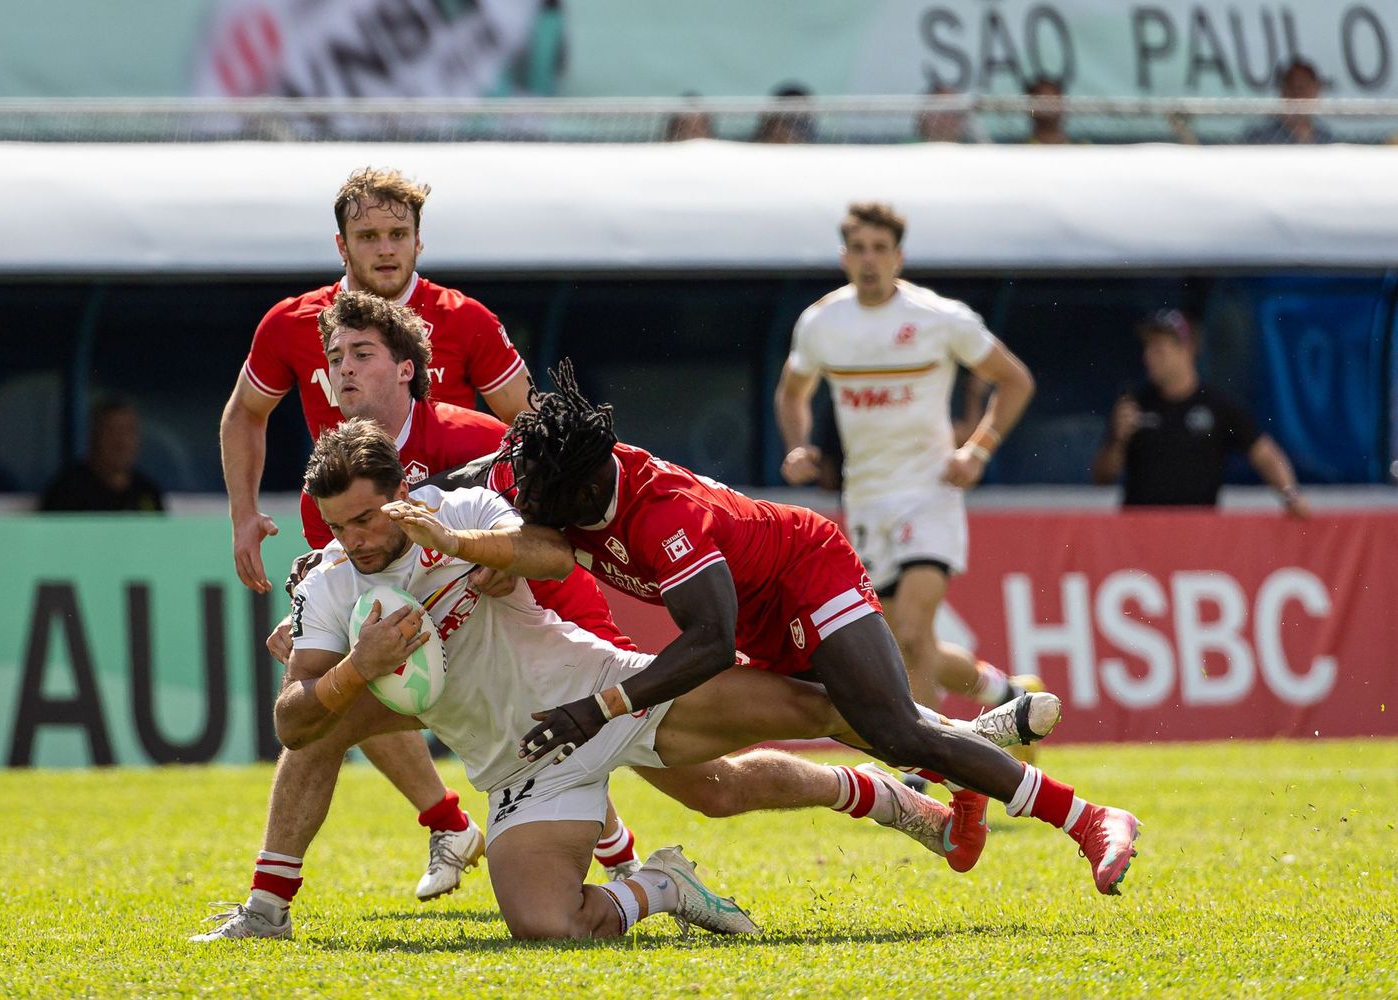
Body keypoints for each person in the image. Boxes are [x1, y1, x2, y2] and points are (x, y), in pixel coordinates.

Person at [198, 292, 1047, 940]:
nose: (341, 371)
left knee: (729, 775)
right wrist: (340, 648)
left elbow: (549, 538)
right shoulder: (336, 513)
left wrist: (475, 559)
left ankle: (942, 750)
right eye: (333, 359)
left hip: (575, 645)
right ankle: (367, 868)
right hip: (499, 720)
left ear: (406, 368)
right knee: (331, 719)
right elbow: (306, 701)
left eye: (360, 355)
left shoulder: (465, 445)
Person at [484, 363, 1143, 898]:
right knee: (856, 719)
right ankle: (966, 755)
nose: (529, 504)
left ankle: (1090, 820)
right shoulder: (552, 473)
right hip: (760, 607)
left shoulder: (662, 518)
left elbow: (710, 642)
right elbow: (507, 504)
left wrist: (598, 709)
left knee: (890, 729)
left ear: (589, 484)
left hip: (805, 570)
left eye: (542, 499)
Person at [217, 167, 532, 904]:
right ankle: (288, 892)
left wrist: (515, 546)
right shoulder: (293, 322)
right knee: (339, 693)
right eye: (369, 236)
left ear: (420, 240)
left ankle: (608, 855)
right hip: (349, 551)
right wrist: (242, 512)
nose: (386, 250)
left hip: (458, 551)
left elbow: (530, 430)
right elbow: (244, 414)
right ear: (342, 244)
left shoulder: (468, 321)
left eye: (398, 235)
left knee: (532, 698)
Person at [774, 203, 1043, 723]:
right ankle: (1003, 691)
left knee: (914, 633)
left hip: (929, 491)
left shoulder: (939, 319)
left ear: (898, 257)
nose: (869, 260)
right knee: (900, 644)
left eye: (879, 249)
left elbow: (1016, 380)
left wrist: (977, 451)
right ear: (843, 257)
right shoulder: (821, 323)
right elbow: (792, 393)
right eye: (858, 249)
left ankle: (931, 775)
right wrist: (798, 446)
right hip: (867, 498)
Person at [1092, 309, 1310, 515]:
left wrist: (1290, 495)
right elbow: (1101, 477)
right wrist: (1118, 442)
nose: (1148, 357)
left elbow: (1265, 454)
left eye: (1158, 348)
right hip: (1140, 537)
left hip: (1197, 536)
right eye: (1146, 348)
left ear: (1186, 349)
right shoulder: (1134, 404)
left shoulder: (1218, 407)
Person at [40, 399, 164, 512]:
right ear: (94, 436)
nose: (122, 442)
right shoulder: (67, 491)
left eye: (129, 431)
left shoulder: (148, 491)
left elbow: (161, 535)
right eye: (112, 431)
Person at [1242, 59, 1333, 145]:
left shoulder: (1327, 139)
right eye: (1292, 88)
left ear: (1316, 90)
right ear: (1283, 92)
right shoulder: (1260, 137)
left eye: (1304, 88)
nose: (1298, 95)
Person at [751, 83, 816, 143]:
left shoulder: (822, 146)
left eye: (801, 118)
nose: (794, 126)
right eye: (789, 118)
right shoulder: (750, 148)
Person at [1023, 76, 1073, 145]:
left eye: (1053, 101)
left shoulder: (1086, 150)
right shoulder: (1017, 152)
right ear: (1030, 110)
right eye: (1041, 102)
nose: (1048, 107)